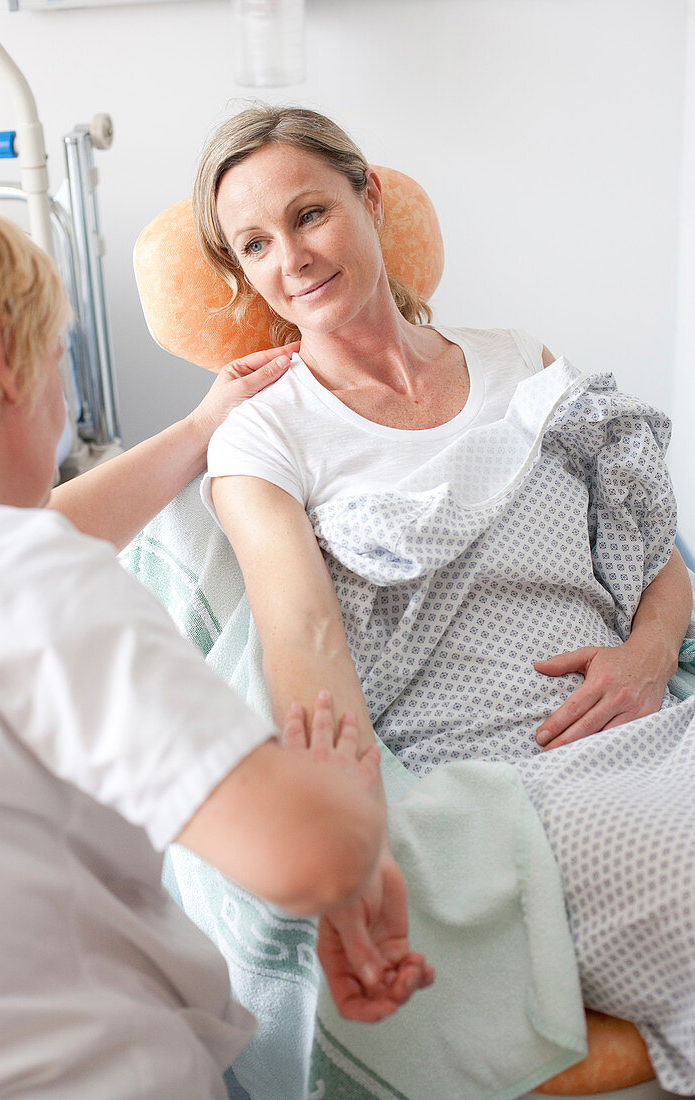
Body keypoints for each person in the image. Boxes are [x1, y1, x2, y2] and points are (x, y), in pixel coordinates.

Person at [192, 104, 695, 1092]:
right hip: (509, 784)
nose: (290, 256)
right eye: (255, 242)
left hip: (651, 724)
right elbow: (301, 641)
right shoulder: (263, 440)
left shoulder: (521, 362)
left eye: (309, 214)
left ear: (368, 197)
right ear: (242, 272)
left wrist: (645, 658)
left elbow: (656, 552)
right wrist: (353, 850)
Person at [0, 200, 433, 1099]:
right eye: (58, 364)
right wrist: (345, 816)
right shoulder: (29, 580)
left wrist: (190, 431)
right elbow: (307, 854)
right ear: (0, 358)